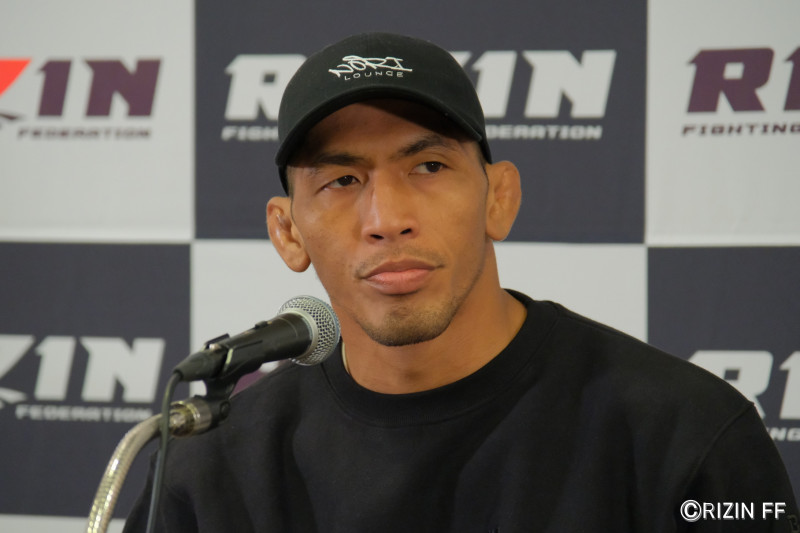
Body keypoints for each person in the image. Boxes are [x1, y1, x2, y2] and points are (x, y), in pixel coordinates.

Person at [124, 32, 798, 532]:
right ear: (288, 232)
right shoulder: (209, 466)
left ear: (499, 198)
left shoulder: (687, 435)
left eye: (429, 167)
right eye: (342, 180)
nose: (387, 219)